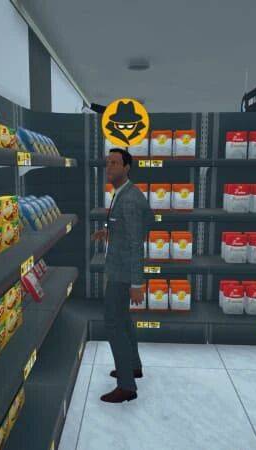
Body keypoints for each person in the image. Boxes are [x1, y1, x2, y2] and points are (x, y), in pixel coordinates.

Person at [92, 148, 151, 403]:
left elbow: (137, 243)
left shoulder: (129, 199)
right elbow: (128, 227)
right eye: (108, 163)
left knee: (113, 323)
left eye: (115, 163)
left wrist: (137, 282)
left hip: (122, 273)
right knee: (124, 320)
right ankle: (133, 366)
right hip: (120, 268)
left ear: (127, 167)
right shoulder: (123, 193)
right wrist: (108, 232)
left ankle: (126, 386)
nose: (109, 167)